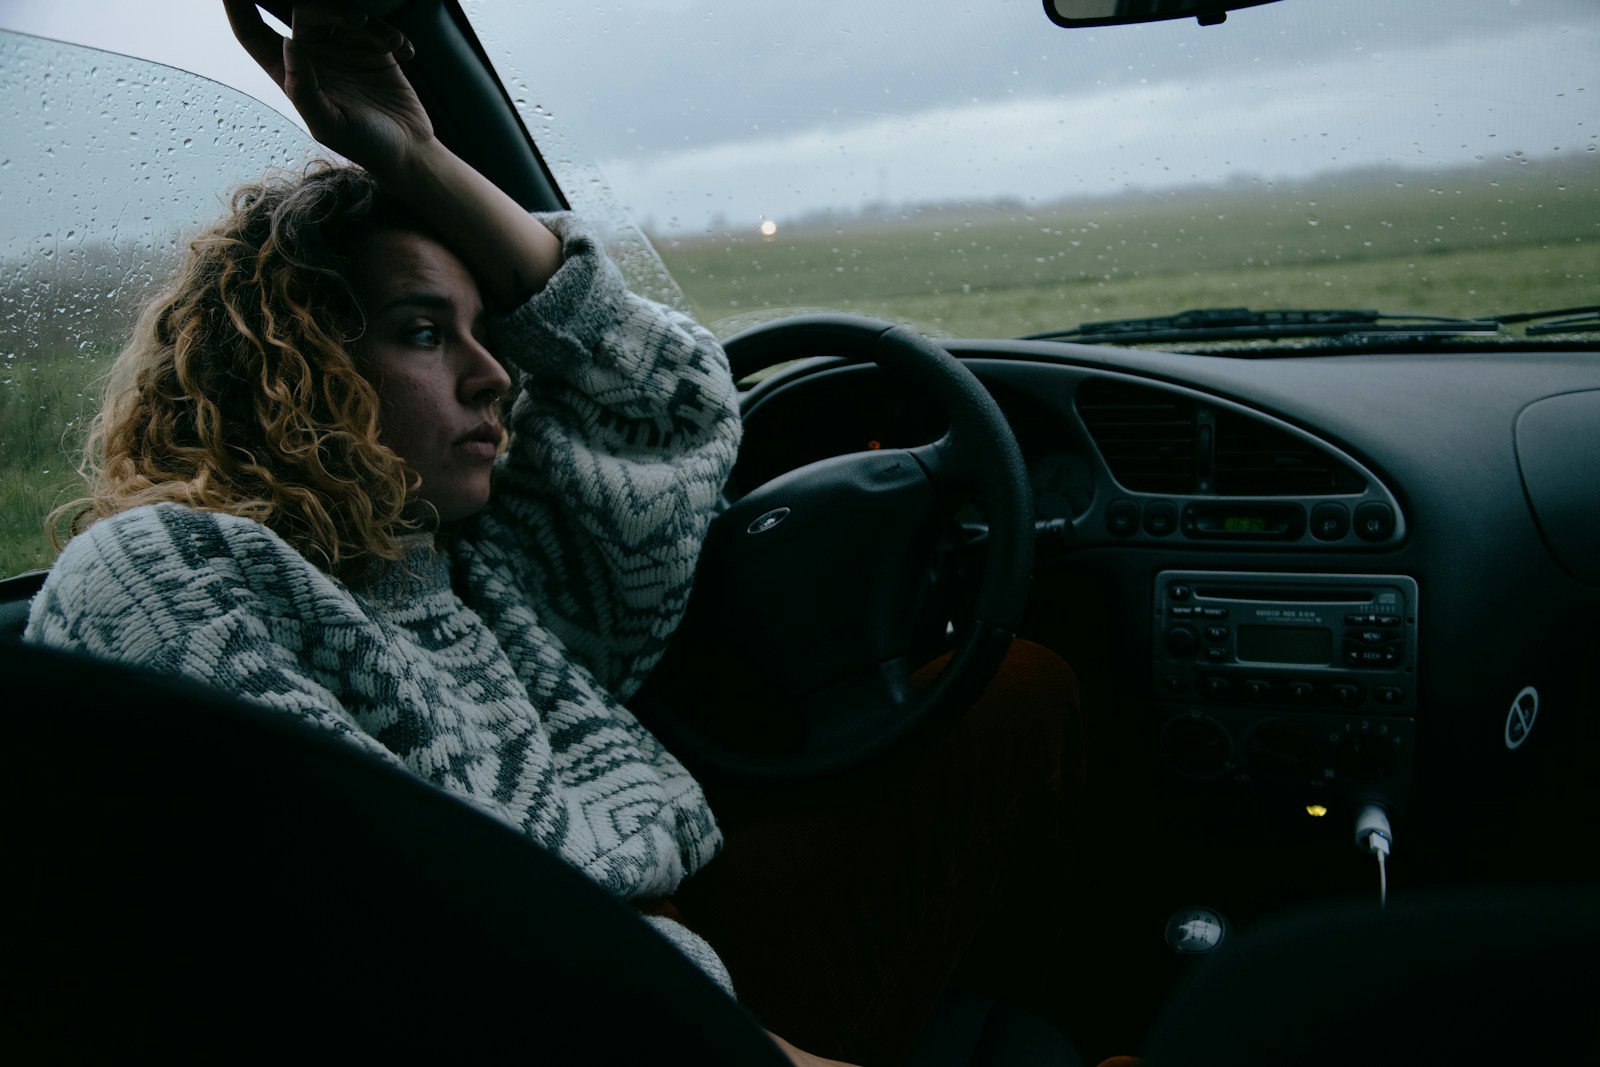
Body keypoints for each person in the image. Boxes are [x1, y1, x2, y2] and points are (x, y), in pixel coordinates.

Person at [24, 4, 1082, 1064]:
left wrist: (423, 159)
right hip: (576, 1009)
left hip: (658, 957)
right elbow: (387, 950)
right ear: (290, 367)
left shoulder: (471, 561)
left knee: (1017, 686)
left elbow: (667, 403)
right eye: (426, 331)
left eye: (489, 333)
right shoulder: (172, 575)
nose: (494, 376)